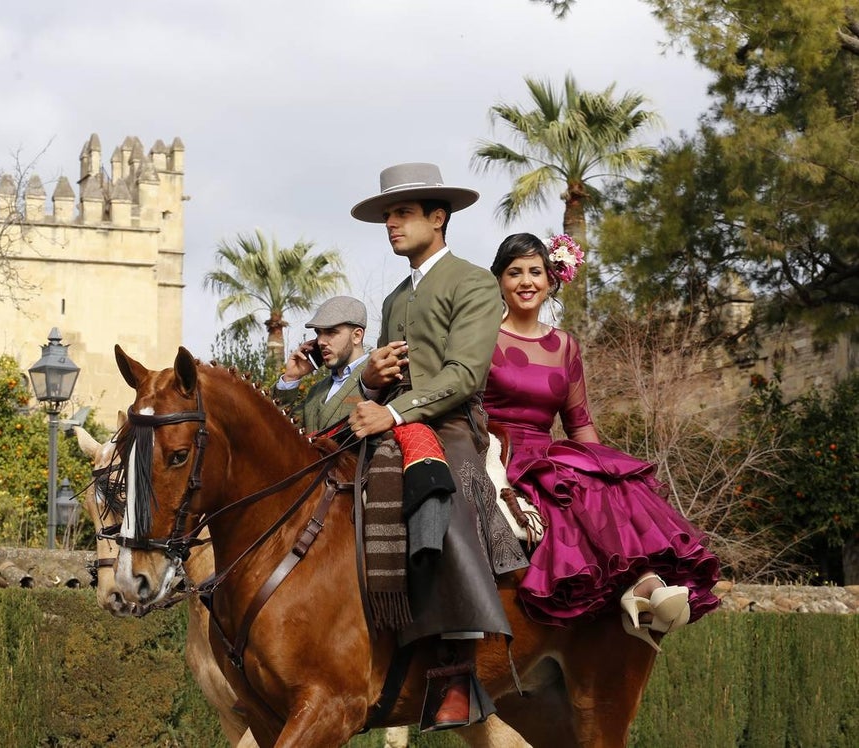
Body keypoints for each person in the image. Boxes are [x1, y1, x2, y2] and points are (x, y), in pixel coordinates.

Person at [347, 162, 526, 730]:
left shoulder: (473, 282)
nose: (391, 225)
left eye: (401, 214)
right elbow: (383, 375)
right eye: (387, 216)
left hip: (450, 427)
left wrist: (394, 410)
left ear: (438, 218)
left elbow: (465, 375)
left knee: (436, 493)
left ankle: (454, 665)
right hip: (388, 417)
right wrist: (372, 378)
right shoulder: (396, 297)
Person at [485, 232, 720, 650]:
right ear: (499, 281)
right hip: (496, 450)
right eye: (514, 272)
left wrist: (605, 470)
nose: (526, 281)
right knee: (563, 491)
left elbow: (579, 423)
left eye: (535, 271)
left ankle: (643, 586)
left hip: (547, 448)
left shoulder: (565, 346)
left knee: (605, 484)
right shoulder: (484, 338)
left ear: (551, 280)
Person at [273, 295, 369, 433]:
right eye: (319, 333)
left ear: (357, 336)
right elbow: (281, 431)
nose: (320, 341)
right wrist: (290, 378)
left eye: (330, 332)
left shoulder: (376, 378)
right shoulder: (317, 391)